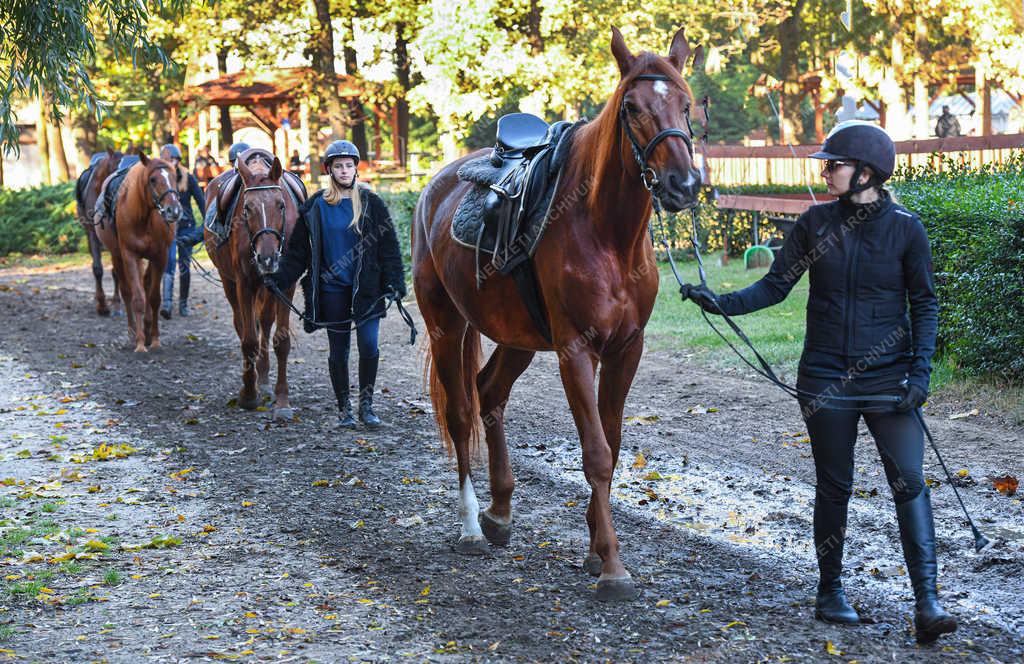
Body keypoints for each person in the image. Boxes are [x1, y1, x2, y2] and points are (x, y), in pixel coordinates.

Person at [680, 121, 957, 644]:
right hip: (826, 378)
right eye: (827, 164)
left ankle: (928, 601)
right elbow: (776, 285)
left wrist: (920, 373)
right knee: (835, 486)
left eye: (835, 164)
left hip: (890, 380)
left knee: (910, 483)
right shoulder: (814, 222)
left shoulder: (906, 228)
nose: (826, 171)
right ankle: (830, 591)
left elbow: (924, 304)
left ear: (866, 173)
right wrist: (721, 301)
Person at [263, 140, 406, 428]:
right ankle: (344, 409)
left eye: (349, 166)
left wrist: (395, 282)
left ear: (356, 168)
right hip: (332, 291)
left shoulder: (371, 204)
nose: (344, 171)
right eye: (338, 166)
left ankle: (367, 406)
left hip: (366, 290)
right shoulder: (315, 206)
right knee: (338, 351)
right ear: (329, 170)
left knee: (369, 346)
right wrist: (280, 278)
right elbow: (298, 253)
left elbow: (388, 247)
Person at [158, 144, 207, 318]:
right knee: (169, 264)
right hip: (167, 229)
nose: (172, 162)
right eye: (168, 159)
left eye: (174, 159)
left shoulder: (189, 178)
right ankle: (167, 304)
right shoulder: (160, 179)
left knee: (184, 266)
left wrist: (202, 229)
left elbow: (203, 205)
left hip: (187, 228)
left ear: (178, 160)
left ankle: (183, 304)